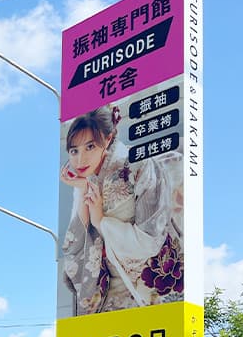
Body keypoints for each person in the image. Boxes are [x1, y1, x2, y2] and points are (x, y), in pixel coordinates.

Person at [60, 105, 184, 315]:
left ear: (108, 139)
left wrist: (101, 222)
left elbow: (149, 241)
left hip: (146, 289)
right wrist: (82, 190)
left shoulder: (139, 165)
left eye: (90, 146)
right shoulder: (86, 182)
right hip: (110, 296)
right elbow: (74, 249)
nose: (80, 160)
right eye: (74, 151)